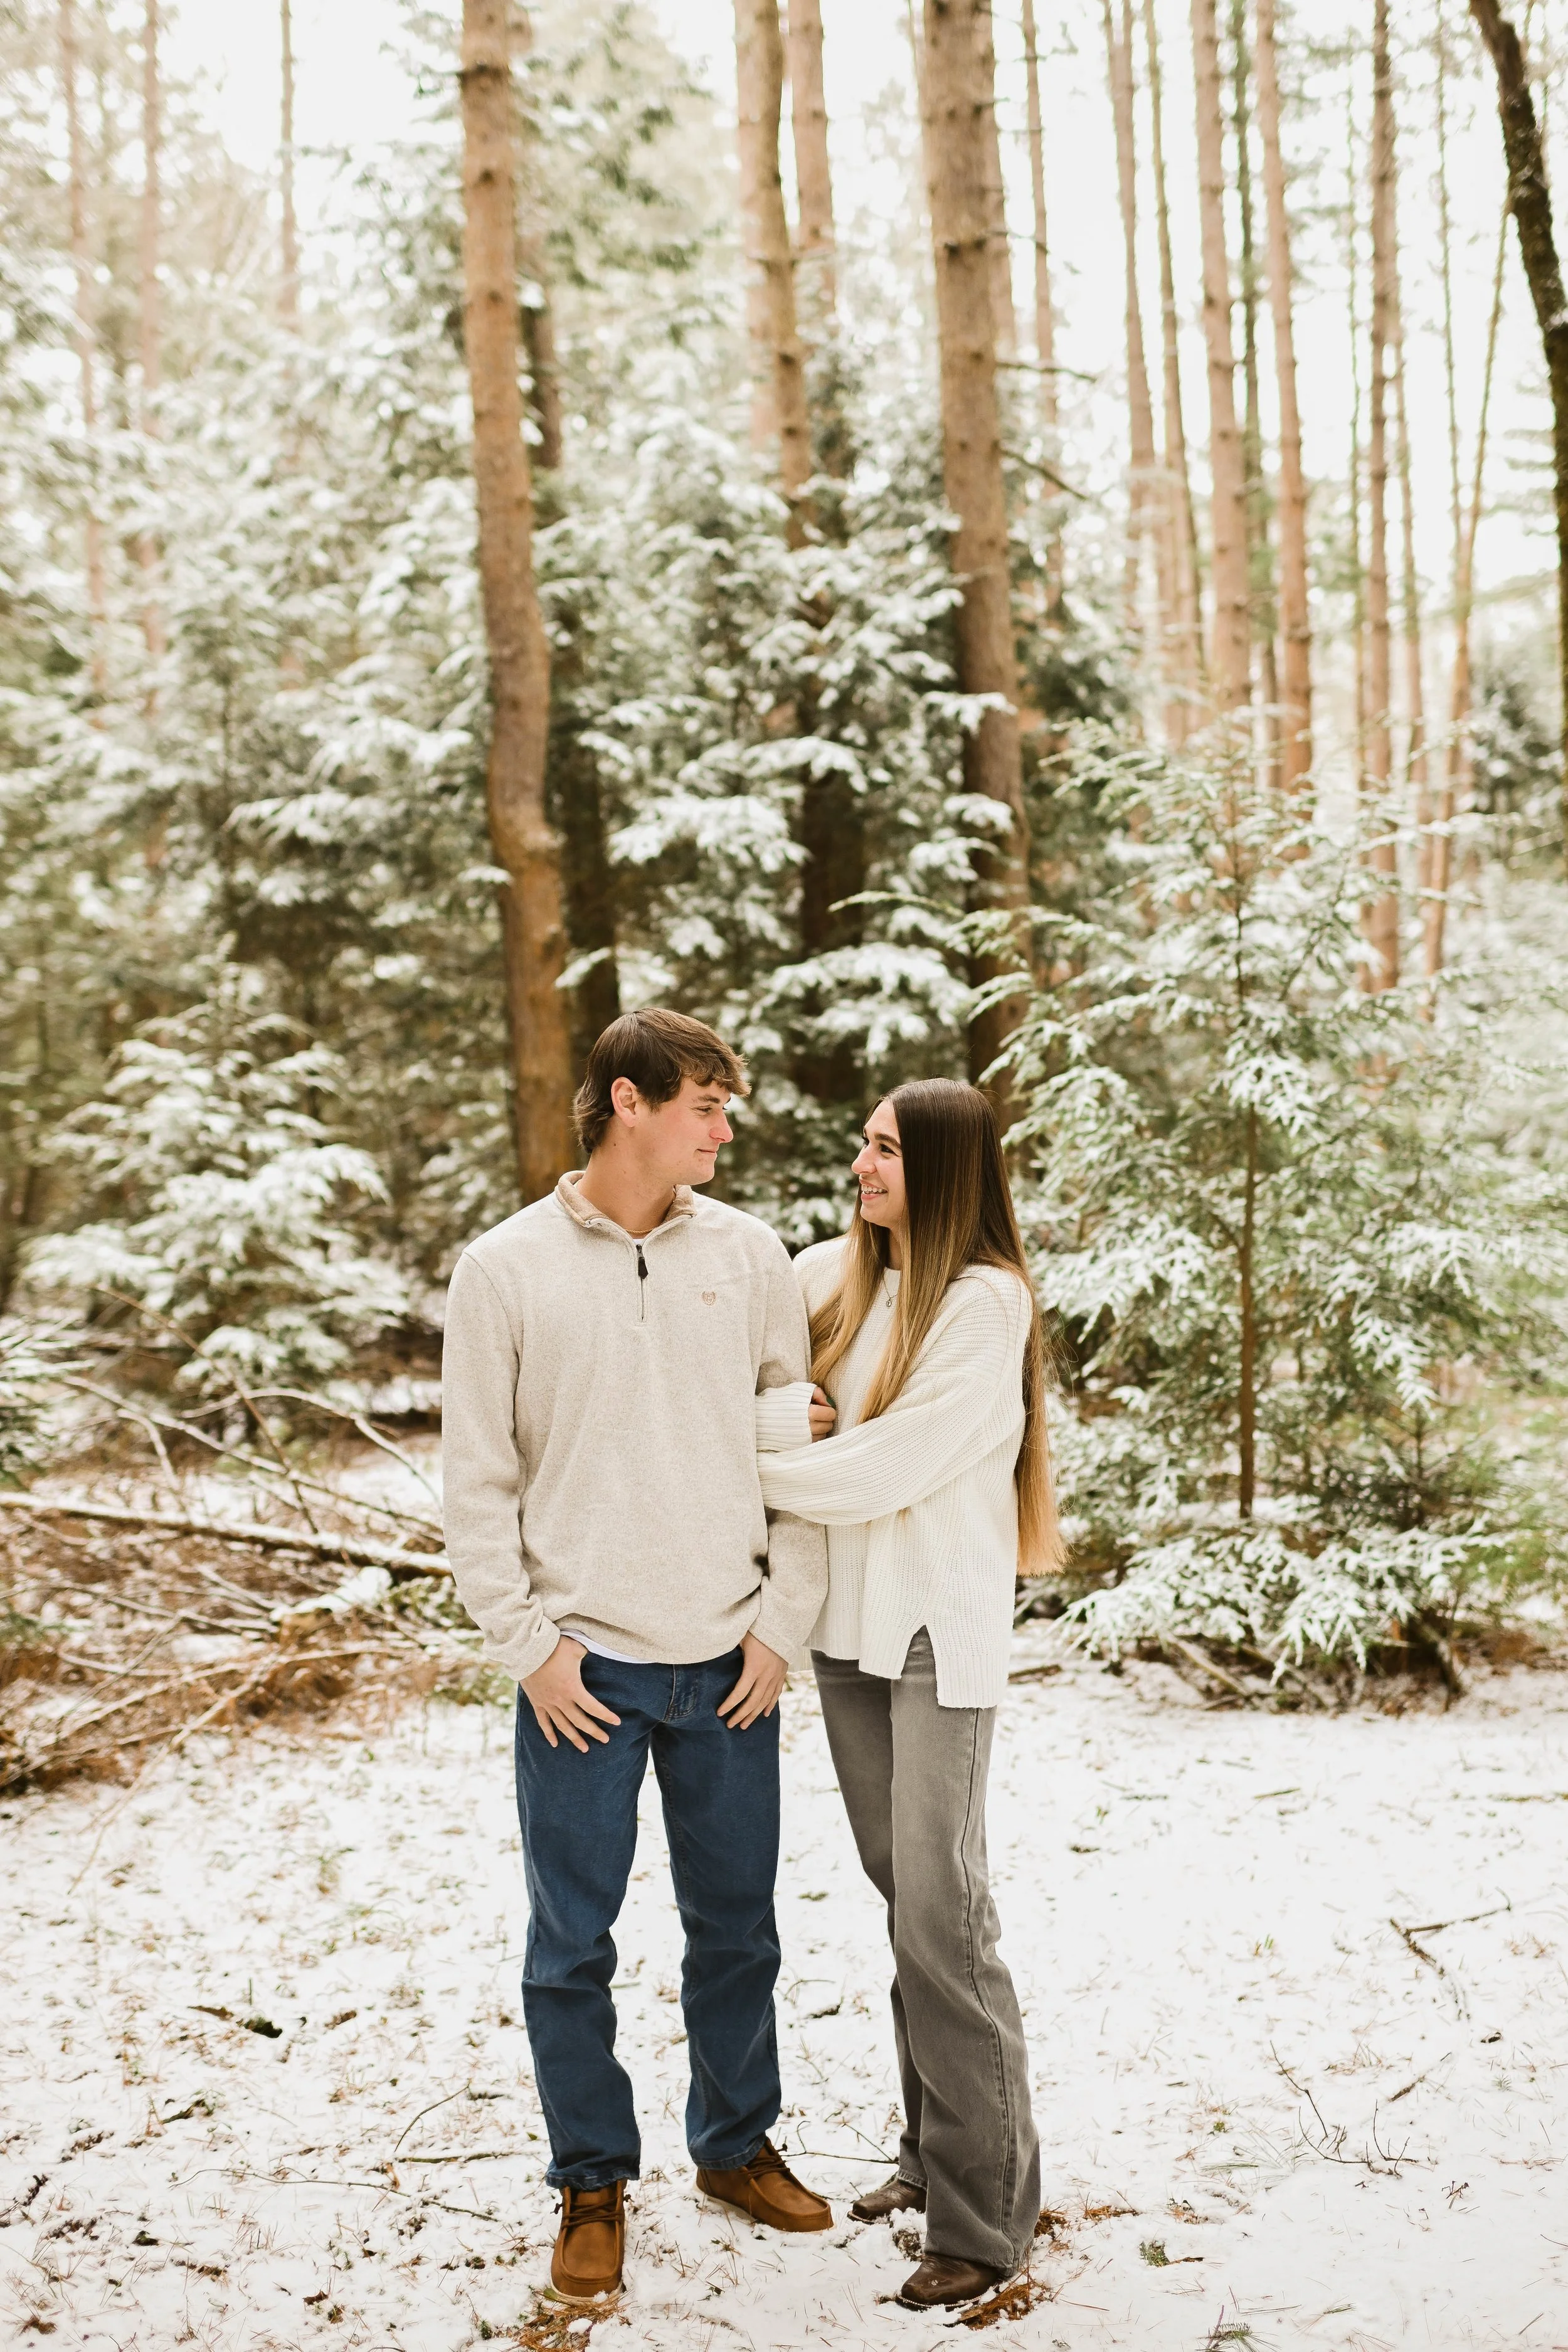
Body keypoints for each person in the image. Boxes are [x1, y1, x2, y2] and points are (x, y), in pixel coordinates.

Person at [441, 1010, 833, 2311]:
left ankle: (731, 2147)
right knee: (570, 1945)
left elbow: (797, 1457)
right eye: (707, 1104)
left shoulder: (753, 1254)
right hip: (583, 1674)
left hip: (729, 1658)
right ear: (630, 1100)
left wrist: (784, 1622)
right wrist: (528, 1648)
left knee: (737, 1934)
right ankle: (591, 2180)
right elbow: (476, 1484)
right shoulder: (502, 1269)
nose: (726, 1128)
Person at [754, 1078, 1059, 2312]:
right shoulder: (847, 1278)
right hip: (846, 1637)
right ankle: (930, 2160)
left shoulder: (986, 1306)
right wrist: (779, 1422)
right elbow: (768, 1384)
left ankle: (984, 2219)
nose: (859, 1162)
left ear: (935, 1171)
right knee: (904, 1908)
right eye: (861, 1141)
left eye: (883, 1148)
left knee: (945, 1915)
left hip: (936, 1637)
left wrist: (764, 1461)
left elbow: (881, 1464)